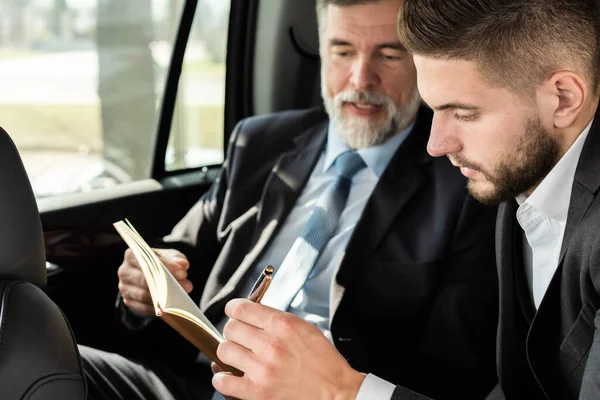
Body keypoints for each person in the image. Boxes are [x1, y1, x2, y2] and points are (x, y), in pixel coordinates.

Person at [81, 1, 499, 399]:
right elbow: (176, 264)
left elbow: (454, 372)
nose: (360, 79)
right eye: (342, 51)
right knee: (35, 345)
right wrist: (141, 290)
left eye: (388, 55)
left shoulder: (466, 181)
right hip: (196, 382)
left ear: (422, 64)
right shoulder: (259, 143)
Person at [396, 0, 600, 399]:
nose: (436, 145)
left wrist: (340, 392)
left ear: (563, 98)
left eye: (465, 114)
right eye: (433, 110)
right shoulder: (521, 176)